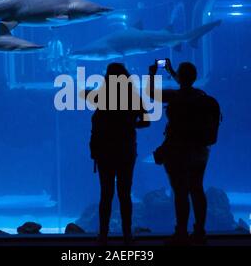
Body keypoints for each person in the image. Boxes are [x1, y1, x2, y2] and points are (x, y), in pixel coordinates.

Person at [147, 58, 220, 245]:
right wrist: (172, 71)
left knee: (180, 192)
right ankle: (199, 232)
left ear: (180, 77)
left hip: (177, 151)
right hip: (200, 151)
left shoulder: (175, 96)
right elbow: (185, 83)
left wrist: (153, 73)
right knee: (197, 188)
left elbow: (152, 93)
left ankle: (181, 233)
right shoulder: (202, 96)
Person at [84, 63, 150, 245]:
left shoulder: (101, 96)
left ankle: (103, 235)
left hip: (104, 151)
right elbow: (146, 122)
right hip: (126, 150)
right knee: (125, 194)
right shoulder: (133, 97)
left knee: (106, 194)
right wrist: (130, 125)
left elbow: (87, 97)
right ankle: (127, 235)